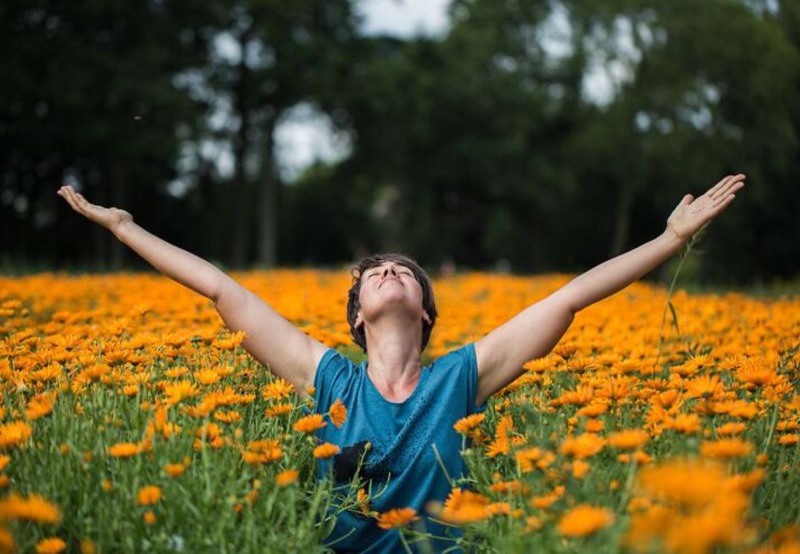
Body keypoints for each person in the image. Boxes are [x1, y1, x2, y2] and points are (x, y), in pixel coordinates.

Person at [57, 173, 746, 552]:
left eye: (402, 270)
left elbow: (571, 299)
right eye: (374, 272)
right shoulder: (329, 377)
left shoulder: (463, 376)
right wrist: (125, 228)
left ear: (425, 311)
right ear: (357, 315)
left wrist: (668, 240)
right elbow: (221, 291)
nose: (387, 271)